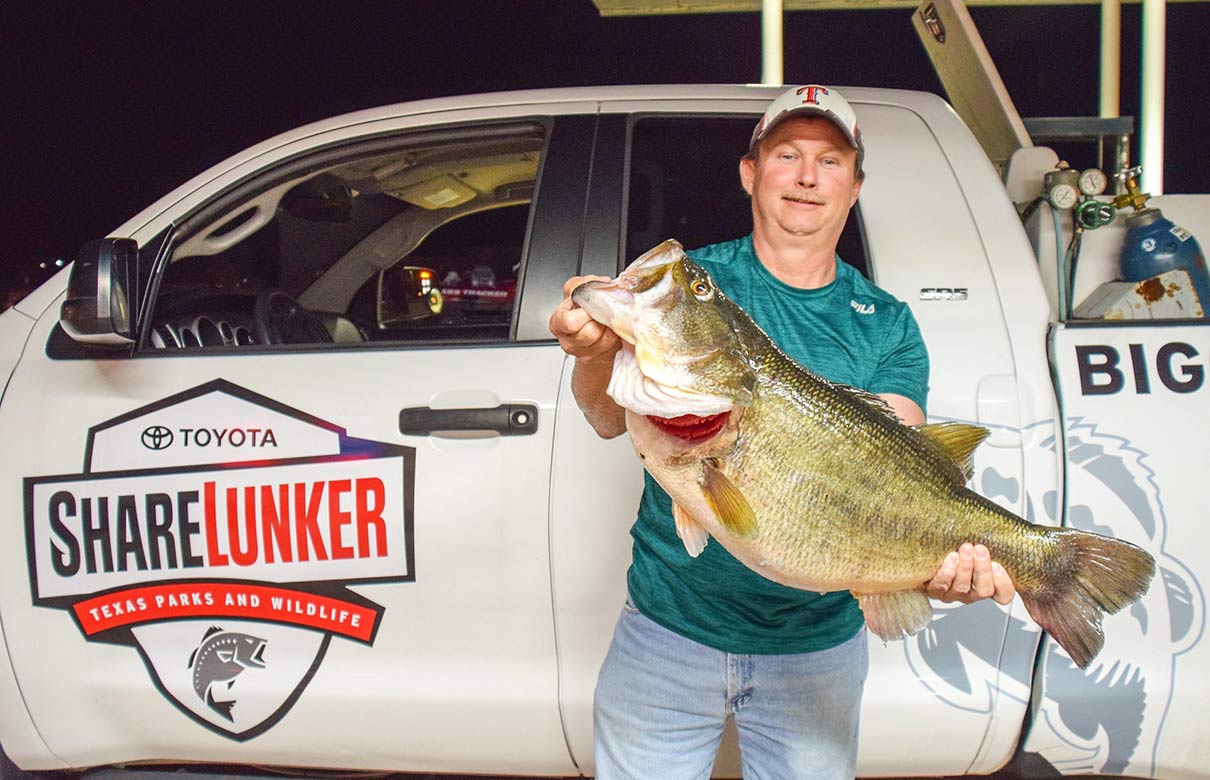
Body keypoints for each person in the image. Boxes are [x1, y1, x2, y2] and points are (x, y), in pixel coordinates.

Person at [548, 84, 1016, 780]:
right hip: (668, 628)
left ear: (854, 186)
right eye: (786, 154)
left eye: (829, 161)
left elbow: (903, 461)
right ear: (749, 171)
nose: (805, 176)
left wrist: (933, 563)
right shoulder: (697, 282)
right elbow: (607, 414)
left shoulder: (885, 322)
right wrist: (592, 353)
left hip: (817, 648)